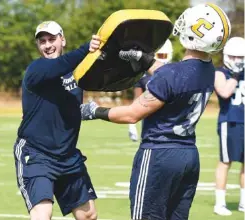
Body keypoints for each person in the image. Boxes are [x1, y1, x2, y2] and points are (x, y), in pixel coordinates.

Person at [80, 3, 231, 220]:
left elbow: (132, 114)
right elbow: (176, 76)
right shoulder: (209, 71)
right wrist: (146, 59)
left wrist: (93, 111)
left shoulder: (170, 75)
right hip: (188, 156)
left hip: (159, 155)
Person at [13, 20, 101, 220]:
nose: (47, 45)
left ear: (63, 40)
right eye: (42, 41)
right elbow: (61, 65)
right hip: (36, 154)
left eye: (52, 39)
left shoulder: (78, 71)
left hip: (68, 155)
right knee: (43, 214)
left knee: (88, 215)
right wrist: (86, 48)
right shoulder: (38, 68)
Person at [213, 37, 245, 216]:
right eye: (233, 57)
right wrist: (235, 75)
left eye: (240, 57)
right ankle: (220, 203)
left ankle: (243, 202)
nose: (237, 61)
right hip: (230, 122)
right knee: (226, 162)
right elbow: (224, 92)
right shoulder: (220, 73)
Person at [128, 39, 173, 142]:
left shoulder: (176, 72)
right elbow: (136, 100)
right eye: (159, 56)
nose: (161, 60)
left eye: (163, 56)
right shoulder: (143, 75)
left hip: (171, 123)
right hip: (150, 125)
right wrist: (132, 125)